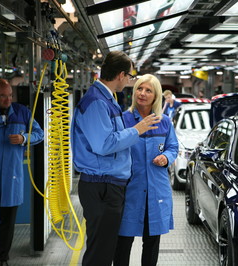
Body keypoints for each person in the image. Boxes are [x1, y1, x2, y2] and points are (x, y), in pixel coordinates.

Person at [71, 51, 160, 266]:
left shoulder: (107, 100)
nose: (129, 81)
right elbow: (104, 144)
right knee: (100, 254)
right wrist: (136, 130)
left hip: (109, 185)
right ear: (121, 75)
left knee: (104, 250)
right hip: (102, 186)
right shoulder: (96, 102)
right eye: (130, 77)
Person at [114, 74, 178, 266]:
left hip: (155, 191)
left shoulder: (164, 122)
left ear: (156, 95)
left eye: (148, 90)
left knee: (151, 243)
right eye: (139, 89)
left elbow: (173, 147)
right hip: (129, 190)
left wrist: (166, 157)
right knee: (123, 242)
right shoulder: (123, 119)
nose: (142, 93)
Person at [0, 78, 44, 266]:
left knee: (8, 222)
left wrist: (24, 137)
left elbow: (40, 133)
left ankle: (2, 258)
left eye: (10, 96)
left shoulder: (23, 112)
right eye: (3, 96)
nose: (8, 100)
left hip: (12, 177)